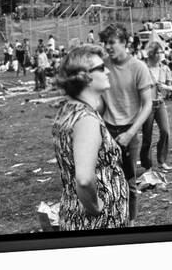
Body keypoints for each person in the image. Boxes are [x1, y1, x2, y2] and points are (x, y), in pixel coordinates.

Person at [53, 45, 128, 230]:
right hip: (97, 223)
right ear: (84, 76)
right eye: (101, 68)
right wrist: (96, 208)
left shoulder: (68, 109)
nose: (108, 71)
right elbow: (84, 179)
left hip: (76, 214)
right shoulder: (86, 119)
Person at [99, 23, 153, 226]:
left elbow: (147, 105)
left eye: (112, 42)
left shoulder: (138, 67)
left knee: (129, 183)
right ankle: (110, 220)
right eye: (105, 43)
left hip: (129, 132)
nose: (108, 47)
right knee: (105, 179)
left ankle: (130, 225)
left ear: (124, 43)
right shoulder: (102, 67)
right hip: (106, 130)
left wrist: (131, 133)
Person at [139, 42, 172, 172]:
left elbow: (169, 88)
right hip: (147, 105)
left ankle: (162, 160)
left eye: (162, 52)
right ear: (152, 54)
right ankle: (147, 165)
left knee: (165, 131)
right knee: (147, 136)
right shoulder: (143, 68)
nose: (161, 55)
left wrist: (166, 88)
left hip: (160, 103)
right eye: (158, 52)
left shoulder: (165, 68)